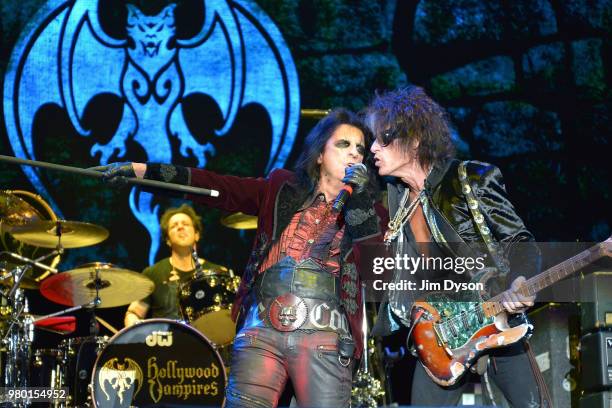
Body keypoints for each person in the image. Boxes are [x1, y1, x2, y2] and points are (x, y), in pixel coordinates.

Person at [101, 108, 385, 408]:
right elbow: (216, 186)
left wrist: (362, 198)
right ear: (319, 155)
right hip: (261, 328)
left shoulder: (371, 212)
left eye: (360, 149)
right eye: (344, 144)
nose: (354, 154)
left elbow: (379, 275)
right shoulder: (280, 189)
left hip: (326, 338)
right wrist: (143, 172)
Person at [365, 86, 548, 406]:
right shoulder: (394, 199)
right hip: (441, 333)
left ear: (415, 138)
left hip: (495, 316)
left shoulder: (470, 179)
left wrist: (520, 279)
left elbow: (519, 240)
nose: (372, 148)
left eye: (382, 138)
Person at [124, 204, 229, 326]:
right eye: (174, 226)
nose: (180, 227)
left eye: (185, 224)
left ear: (197, 235)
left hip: (206, 340)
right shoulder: (152, 273)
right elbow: (134, 313)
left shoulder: (217, 272)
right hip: (164, 342)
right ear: (167, 240)